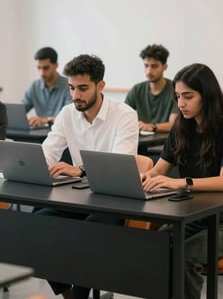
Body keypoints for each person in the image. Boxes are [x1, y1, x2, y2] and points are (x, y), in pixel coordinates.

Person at [142, 63, 223, 299]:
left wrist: (180, 183)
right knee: (155, 248)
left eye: (188, 96)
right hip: (189, 215)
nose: (181, 104)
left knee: (186, 256)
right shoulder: (181, 127)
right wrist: (144, 177)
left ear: (206, 96)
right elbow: (160, 169)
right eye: (178, 96)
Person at [38, 54, 139, 299]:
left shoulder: (124, 115)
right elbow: (48, 151)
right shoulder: (67, 113)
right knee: (39, 222)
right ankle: (70, 296)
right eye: (71, 88)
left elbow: (119, 167)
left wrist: (81, 170)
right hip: (79, 197)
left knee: (88, 230)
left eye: (83, 88)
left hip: (114, 201)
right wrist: (33, 166)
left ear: (100, 85)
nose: (75, 95)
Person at [125, 44, 177, 133]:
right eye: (146, 66)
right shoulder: (136, 90)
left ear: (164, 67)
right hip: (141, 141)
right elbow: (123, 117)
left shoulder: (175, 90)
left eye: (154, 66)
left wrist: (152, 127)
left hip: (166, 143)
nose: (149, 71)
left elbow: (174, 124)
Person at [21, 47, 72, 126]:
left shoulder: (69, 86)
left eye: (46, 68)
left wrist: (46, 120)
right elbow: (21, 110)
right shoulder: (34, 86)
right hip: (39, 134)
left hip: (62, 133)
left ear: (56, 65)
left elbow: (70, 117)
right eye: (39, 68)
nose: (42, 73)